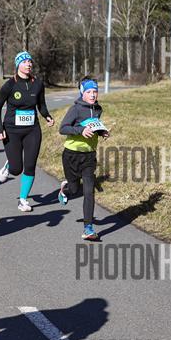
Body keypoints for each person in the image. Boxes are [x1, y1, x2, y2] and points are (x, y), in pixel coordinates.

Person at [0, 51, 55, 212]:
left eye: (30, 61)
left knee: (30, 165)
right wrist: (0, 129)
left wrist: (47, 116)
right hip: (12, 130)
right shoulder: (10, 85)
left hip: (32, 130)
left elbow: (41, 105)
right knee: (16, 169)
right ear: (18, 65)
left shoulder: (38, 84)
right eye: (24, 62)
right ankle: (9, 165)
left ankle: (23, 199)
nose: (28, 64)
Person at [58, 78, 110, 241]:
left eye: (95, 91)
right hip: (71, 155)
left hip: (89, 156)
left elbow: (94, 126)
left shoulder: (98, 109)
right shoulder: (75, 109)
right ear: (82, 93)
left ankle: (88, 228)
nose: (93, 95)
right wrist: (80, 130)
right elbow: (63, 128)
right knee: (74, 190)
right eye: (89, 92)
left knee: (89, 191)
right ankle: (65, 189)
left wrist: (102, 132)